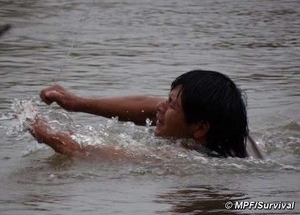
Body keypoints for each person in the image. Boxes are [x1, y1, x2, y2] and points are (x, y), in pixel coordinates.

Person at [28, 70, 262, 160]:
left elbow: (84, 151)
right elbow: (148, 106)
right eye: (167, 98)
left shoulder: (185, 159)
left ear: (200, 129)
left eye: (171, 105)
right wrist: (75, 103)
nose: (159, 106)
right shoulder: (229, 127)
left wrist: (43, 131)